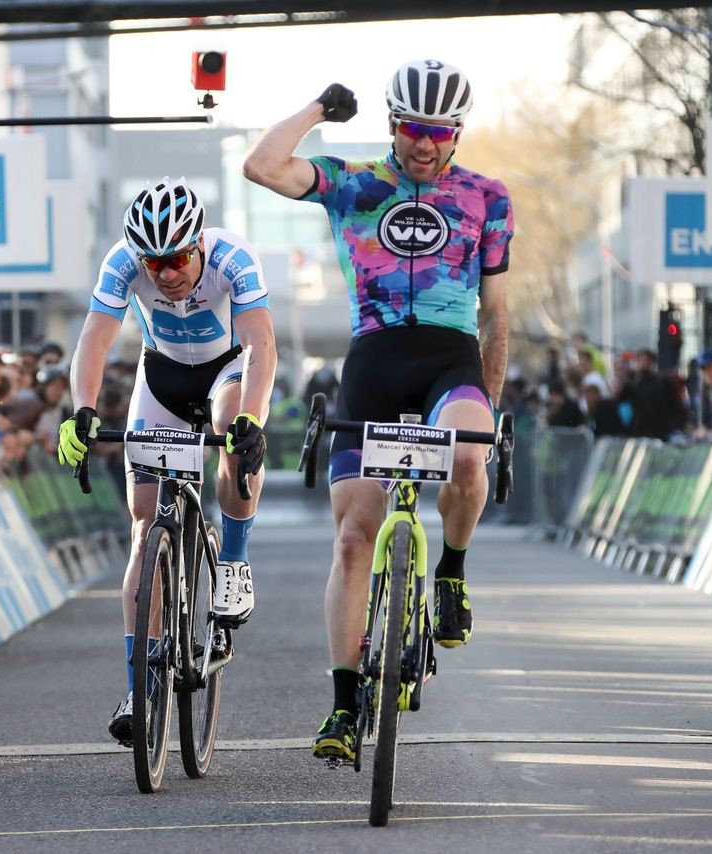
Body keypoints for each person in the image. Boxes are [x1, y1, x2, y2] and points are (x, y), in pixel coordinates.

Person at [243, 59, 514, 762]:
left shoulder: (487, 196)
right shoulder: (355, 182)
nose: (424, 144)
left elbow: (499, 311)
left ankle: (450, 571)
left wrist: (492, 403)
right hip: (373, 357)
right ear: (392, 124)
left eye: (439, 131)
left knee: (464, 454)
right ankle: (340, 707)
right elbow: (262, 166)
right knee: (353, 539)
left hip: (450, 358)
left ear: (457, 132)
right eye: (410, 128)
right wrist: (315, 110)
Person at [55, 177, 276, 745]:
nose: (167, 273)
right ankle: (140, 684)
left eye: (177, 258)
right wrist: (81, 409)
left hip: (228, 371)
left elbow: (260, 347)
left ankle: (233, 560)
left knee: (231, 428)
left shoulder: (234, 258)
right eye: (154, 264)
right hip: (163, 378)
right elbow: (94, 341)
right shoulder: (122, 263)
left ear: (198, 243)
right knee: (143, 526)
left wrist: (253, 416)